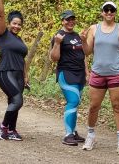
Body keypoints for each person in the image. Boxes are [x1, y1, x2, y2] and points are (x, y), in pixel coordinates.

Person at [80, 1, 119, 155]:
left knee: (117, 107)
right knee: (93, 106)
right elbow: (87, 51)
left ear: (115, 12)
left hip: (116, 73)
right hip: (97, 73)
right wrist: (83, 40)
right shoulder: (93, 29)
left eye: (112, 10)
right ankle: (90, 136)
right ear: (102, 12)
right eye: (106, 9)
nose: (109, 12)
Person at [50, 10, 88, 146]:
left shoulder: (78, 36)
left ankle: (73, 131)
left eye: (72, 19)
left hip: (80, 74)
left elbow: (84, 55)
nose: (70, 22)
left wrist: (87, 73)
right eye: (67, 19)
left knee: (76, 103)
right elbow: (54, 58)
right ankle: (68, 135)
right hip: (66, 73)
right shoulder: (58, 36)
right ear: (62, 21)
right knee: (73, 101)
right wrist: (57, 43)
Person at [0, 0, 28, 141]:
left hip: (18, 74)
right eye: (14, 23)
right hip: (5, 72)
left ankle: (12, 130)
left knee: (13, 102)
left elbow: (23, 59)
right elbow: (1, 15)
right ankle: (3, 127)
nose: (16, 26)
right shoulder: (3, 34)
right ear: (9, 24)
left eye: (19, 24)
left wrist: (25, 76)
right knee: (17, 100)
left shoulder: (19, 40)